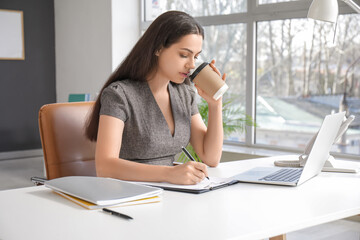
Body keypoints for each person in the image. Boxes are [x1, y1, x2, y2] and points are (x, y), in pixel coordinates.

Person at [85, 11, 226, 185]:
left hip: (172, 194)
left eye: (195, 57)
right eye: (184, 55)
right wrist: (169, 173)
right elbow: (105, 167)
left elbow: (210, 157)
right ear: (158, 48)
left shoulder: (184, 94)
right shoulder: (119, 95)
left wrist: (215, 104)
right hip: (127, 194)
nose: (191, 65)